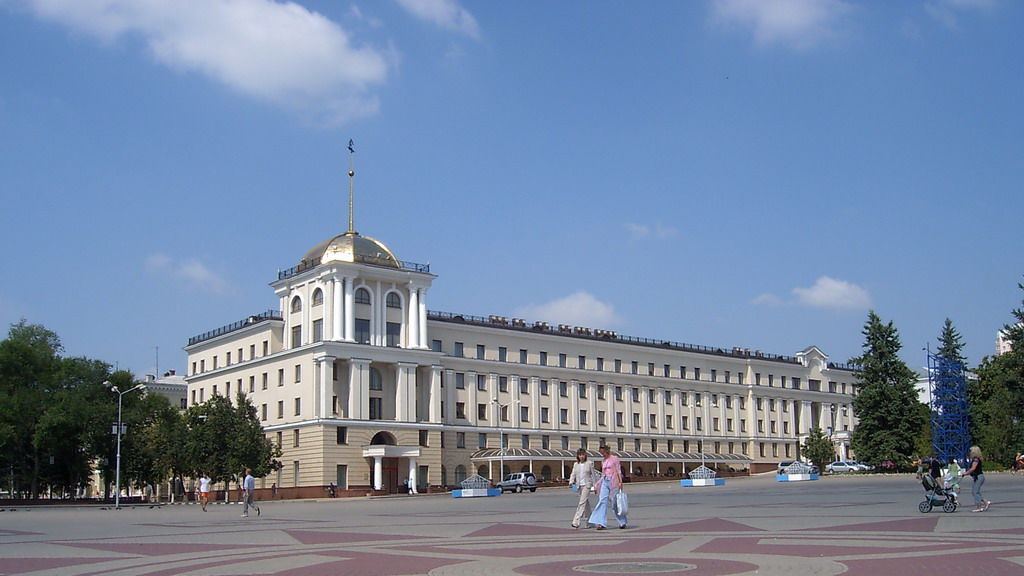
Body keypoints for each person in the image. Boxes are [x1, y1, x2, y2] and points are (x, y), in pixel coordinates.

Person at [588, 445, 627, 530]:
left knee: (615, 503)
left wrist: (620, 482)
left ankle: (622, 522)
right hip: (605, 481)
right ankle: (601, 522)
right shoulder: (603, 461)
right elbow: (603, 474)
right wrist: (598, 484)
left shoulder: (614, 459)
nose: (603, 455)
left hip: (614, 482)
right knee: (602, 501)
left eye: (604, 453)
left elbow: (618, 471)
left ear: (607, 451)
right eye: (601, 453)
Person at [568, 448, 596, 529]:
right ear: (578, 456)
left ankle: (576, 521)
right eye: (580, 455)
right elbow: (573, 473)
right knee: (586, 505)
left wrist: (595, 486)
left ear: (585, 455)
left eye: (583, 455)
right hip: (579, 486)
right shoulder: (576, 464)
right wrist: (571, 481)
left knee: (581, 503)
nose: (581, 456)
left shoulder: (589, 463)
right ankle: (590, 522)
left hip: (587, 486)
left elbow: (593, 476)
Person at [963, 446, 989, 512]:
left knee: (975, 491)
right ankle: (984, 502)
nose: (970, 453)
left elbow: (973, 468)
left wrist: (966, 473)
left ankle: (979, 506)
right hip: (978, 477)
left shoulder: (976, 459)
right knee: (975, 491)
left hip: (979, 476)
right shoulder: (976, 459)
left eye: (971, 451)